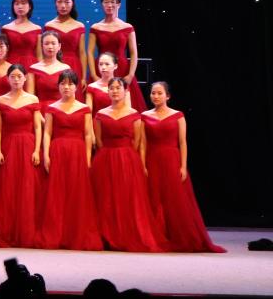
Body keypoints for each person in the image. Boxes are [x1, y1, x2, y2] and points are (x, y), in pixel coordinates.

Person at [142, 82, 226, 253]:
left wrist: (183, 166)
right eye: (153, 93)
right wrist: (142, 164)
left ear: (168, 96)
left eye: (159, 93)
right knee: (154, 197)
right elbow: (142, 143)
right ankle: (158, 236)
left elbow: (182, 142)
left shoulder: (178, 116)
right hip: (152, 159)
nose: (155, 96)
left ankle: (177, 235)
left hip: (171, 160)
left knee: (174, 199)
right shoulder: (144, 116)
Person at [92, 78, 167, 252]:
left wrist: (126, 156)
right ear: (108, 91)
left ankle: (125, 234)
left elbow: (137, 141)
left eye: (118, 88)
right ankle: (107, 236)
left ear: (125, 91)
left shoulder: (134, 114)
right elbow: (99, 140)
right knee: (106, 198)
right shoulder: (100, 114)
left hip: (127, 159)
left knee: (126, 198)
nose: (115, 91)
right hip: (105, 159)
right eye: (112, 88)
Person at [37, 70, 101, 250]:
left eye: (70, 84)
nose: (66, 87)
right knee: (57, 192)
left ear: (76, 87)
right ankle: (57, 233)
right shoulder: (52, 108)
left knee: (76, 193)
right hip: (58, 150)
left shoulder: (84, 108)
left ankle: (75, 234)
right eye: (63, 84)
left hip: (77, 152)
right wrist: (46, 154)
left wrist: (87, 157)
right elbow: (47, 133)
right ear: (58, 86)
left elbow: (87, 134)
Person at [0, 64, 43, 248]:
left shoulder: (33, 99)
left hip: (27, 145)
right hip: (8, 146)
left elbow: (37, 127)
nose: (16, 79)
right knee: (8, 188)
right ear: (8, 79)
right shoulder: (1, 100)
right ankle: (8, 229)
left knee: (27, 188)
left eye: (19, 76)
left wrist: (37, 150)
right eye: (13, 76)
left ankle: (26, 230)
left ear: (25, 78)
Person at [88, 0, 144, 111]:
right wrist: (93, 75)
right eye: (106, 2)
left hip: (122, 69)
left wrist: (130, 74)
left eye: (113, 2)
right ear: (102, 4)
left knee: (126, 107)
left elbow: (134, 53)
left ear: (118, 4)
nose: (109, 5)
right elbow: (90, 53)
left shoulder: (128, 27)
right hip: (102, 69)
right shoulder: (95, 27)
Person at [44, 0, 87, 93]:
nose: (63, 6)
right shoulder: (49, 25)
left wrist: (83, 77)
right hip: (54, 65)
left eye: (67, 2)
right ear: (55, 3)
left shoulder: (79, 26)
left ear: (73, 3)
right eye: (59, 2)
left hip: (74, 66)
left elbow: (82, 52)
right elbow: (44, 52)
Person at [26, 30, 72, 107]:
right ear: (42, 46)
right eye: (46, 44)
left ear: (59, 46)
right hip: (39, 110)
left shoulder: (66, 68)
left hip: (61, 109)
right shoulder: (33, 69)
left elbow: (69, 96)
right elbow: (30, 97)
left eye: (53, 43)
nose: (50, 47)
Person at [2, 0, 42, 69]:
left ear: (30, 6)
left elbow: (39, 55)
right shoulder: (6, 28)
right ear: (13, 7)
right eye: (17, 4)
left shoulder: (37, 29)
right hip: (11, 66)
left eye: (23, 3)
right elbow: (4, 54)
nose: (20, 6)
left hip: (31, 66)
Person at [85, 52, 120, 117]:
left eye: (107, 64)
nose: (103, 67)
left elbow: (127, 111)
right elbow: (88, 113)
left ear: (115, 66)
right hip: (97, 122)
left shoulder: (122, 86)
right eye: (100, 64)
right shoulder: (91, 87)